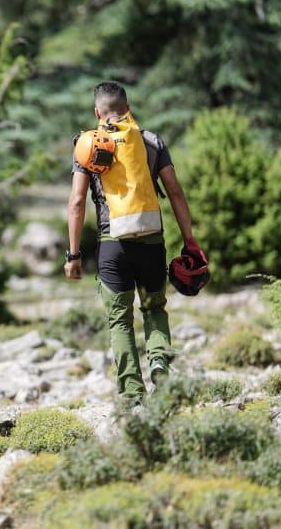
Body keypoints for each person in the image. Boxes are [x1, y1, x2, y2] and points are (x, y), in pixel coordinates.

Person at [64, 81, 202, 406]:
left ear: (97, 112)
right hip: (151, 238)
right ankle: (159, 364)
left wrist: (73, 255)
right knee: (154, 309)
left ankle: (132, 397)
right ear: (128, 107)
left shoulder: (87, 145)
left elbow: (76, 202)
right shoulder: (151, 141)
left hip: (112, 243)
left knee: (120, 320)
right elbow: (176, 192)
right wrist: (190, 240)